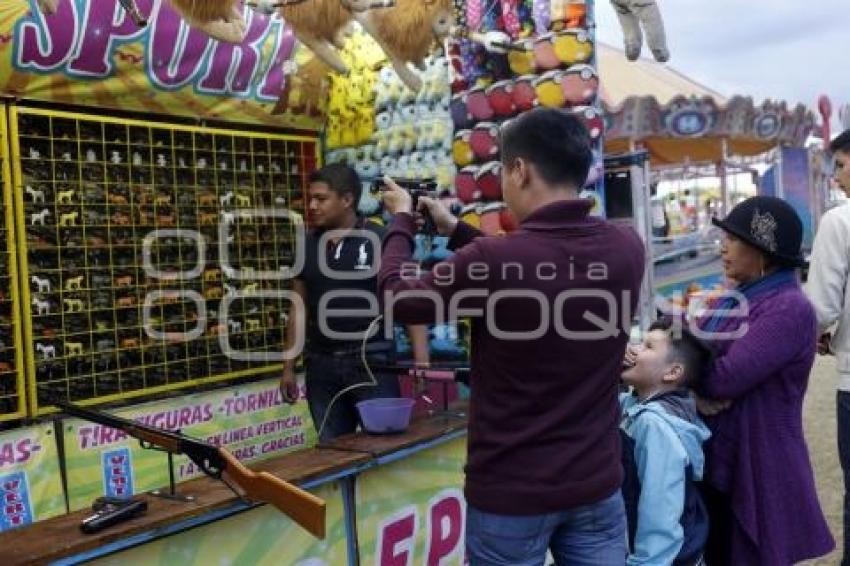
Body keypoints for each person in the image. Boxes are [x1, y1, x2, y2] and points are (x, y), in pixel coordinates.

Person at [379, 108, 646, 564]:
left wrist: (401, 221)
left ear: (520, 170)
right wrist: (455, 230)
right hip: (595, 481)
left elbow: (401, 299)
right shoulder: (625, 246)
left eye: (503, 169)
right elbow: (537, 270)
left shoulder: (496, 259)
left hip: (511, 492)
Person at [694, 196, 833, 564]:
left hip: (759, 461)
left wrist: (685, 374)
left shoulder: (788, 308)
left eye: (734, 239)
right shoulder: (739, 298)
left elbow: (724, 379)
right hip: (728, 454)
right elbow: (690, 348)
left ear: (762, 252)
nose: (723, 247)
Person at [279, 164, 428, 441]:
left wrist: (421, 360)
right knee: (333, 451)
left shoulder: (382, 239)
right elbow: (298, 309)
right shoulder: (306, 245)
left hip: (372, 363)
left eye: (321, 199)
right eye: (310, 198)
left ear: (347, 200)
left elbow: (409, 302)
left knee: (384, 446)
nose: (312, 206)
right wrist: (288, 366)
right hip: (321, 367)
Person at [621, 319, 711, 566]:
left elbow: (659, 511)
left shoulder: (655, 426)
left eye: (647, 347)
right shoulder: (635, 405)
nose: (634, 350)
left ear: (672, 373)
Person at [806, 128, 850, 565]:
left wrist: (819, 333)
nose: (835, 176)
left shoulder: (840, 220)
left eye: (840, 164)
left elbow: (819, 306)